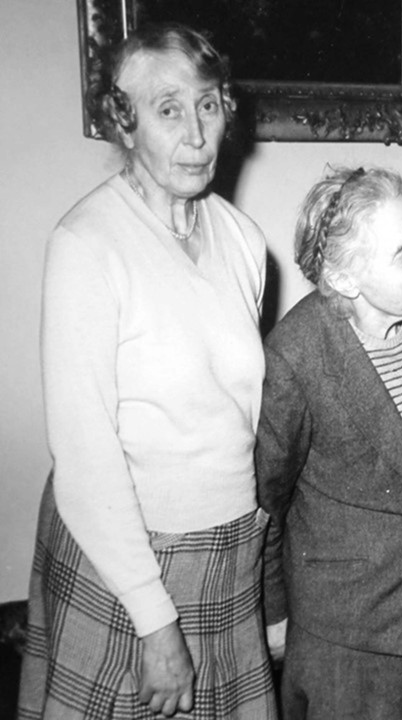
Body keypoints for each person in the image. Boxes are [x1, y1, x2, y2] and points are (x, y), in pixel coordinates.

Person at [18, 23, 277, 720]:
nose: (196, 134)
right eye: (168, 110)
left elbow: (239, 419)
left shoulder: (244, 241)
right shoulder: (87, 245)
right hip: (125, 560)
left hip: (225, 550)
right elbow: (83, 455)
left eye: (208, 105)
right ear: (124, 123)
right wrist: (154, 619)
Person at [255, 166, 402, 719]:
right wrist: (275, 615)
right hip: (351, 635)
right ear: (345, 279)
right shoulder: (295, 358)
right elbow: (268, 500)